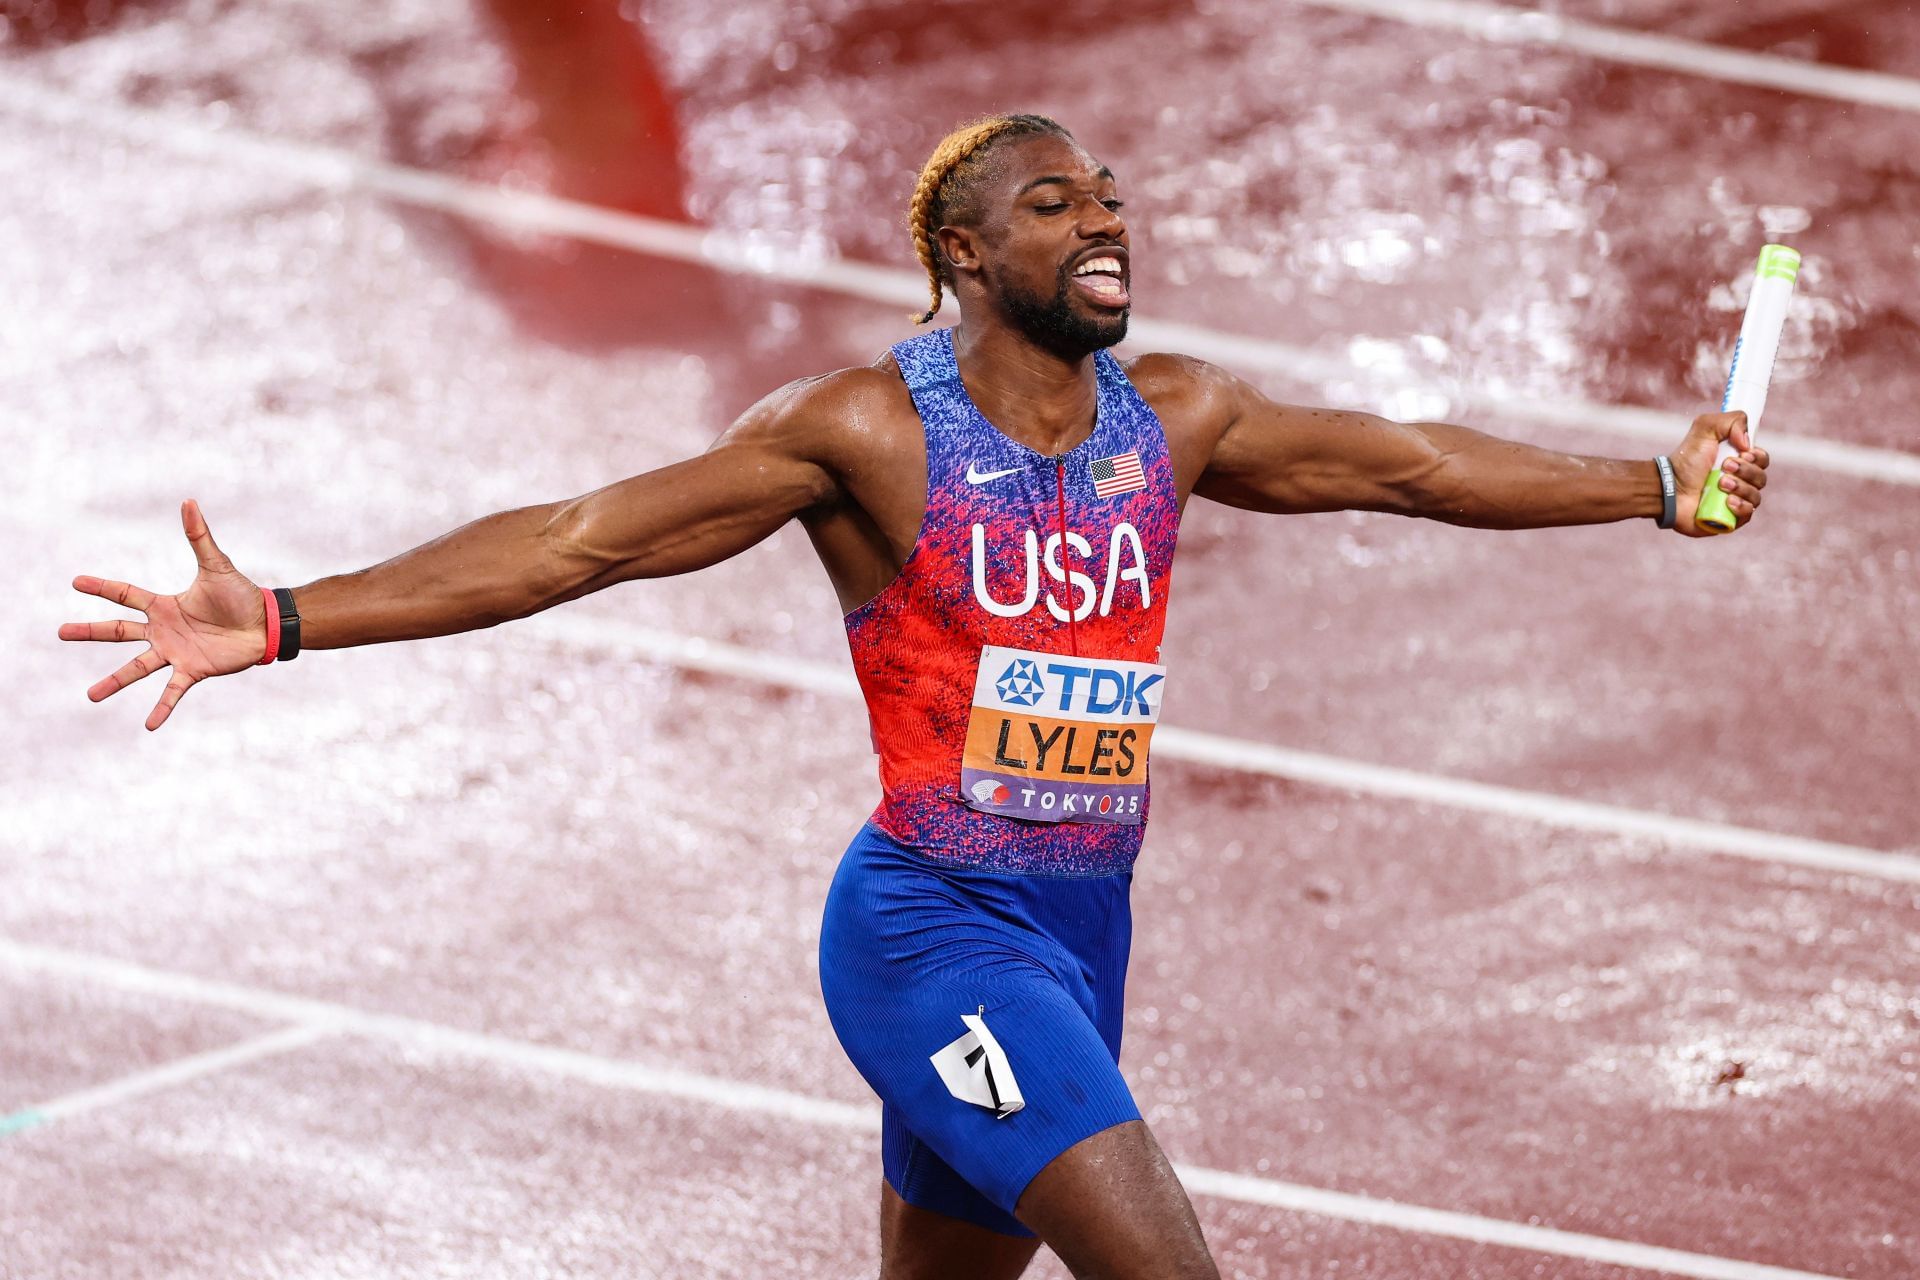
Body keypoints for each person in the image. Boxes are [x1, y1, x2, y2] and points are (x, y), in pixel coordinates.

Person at [59, 113, 1768, 1279]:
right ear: (961, 251)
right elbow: (578, 543)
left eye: (1107, 196)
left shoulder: (1177, 417)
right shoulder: (866, 432)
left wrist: (1649, 480)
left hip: (1086, 934)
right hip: (932, 938)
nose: (1103, 220)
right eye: (1053, 205)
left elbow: (1407, 466)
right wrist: (285, 615)